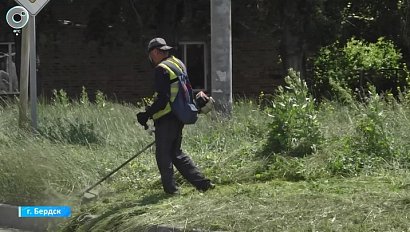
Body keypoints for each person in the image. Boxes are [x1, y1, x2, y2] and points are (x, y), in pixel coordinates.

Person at [136, 37, 215, 194]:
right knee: (175, 153)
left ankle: (171, 190)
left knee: (163, 154)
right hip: (179, 114)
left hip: (167, 117)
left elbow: (163, 98)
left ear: (156, 52)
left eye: (151, 55)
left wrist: (147, 114)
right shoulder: (178, 63)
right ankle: (203, 184)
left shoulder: (161, 69)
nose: (151, 59)